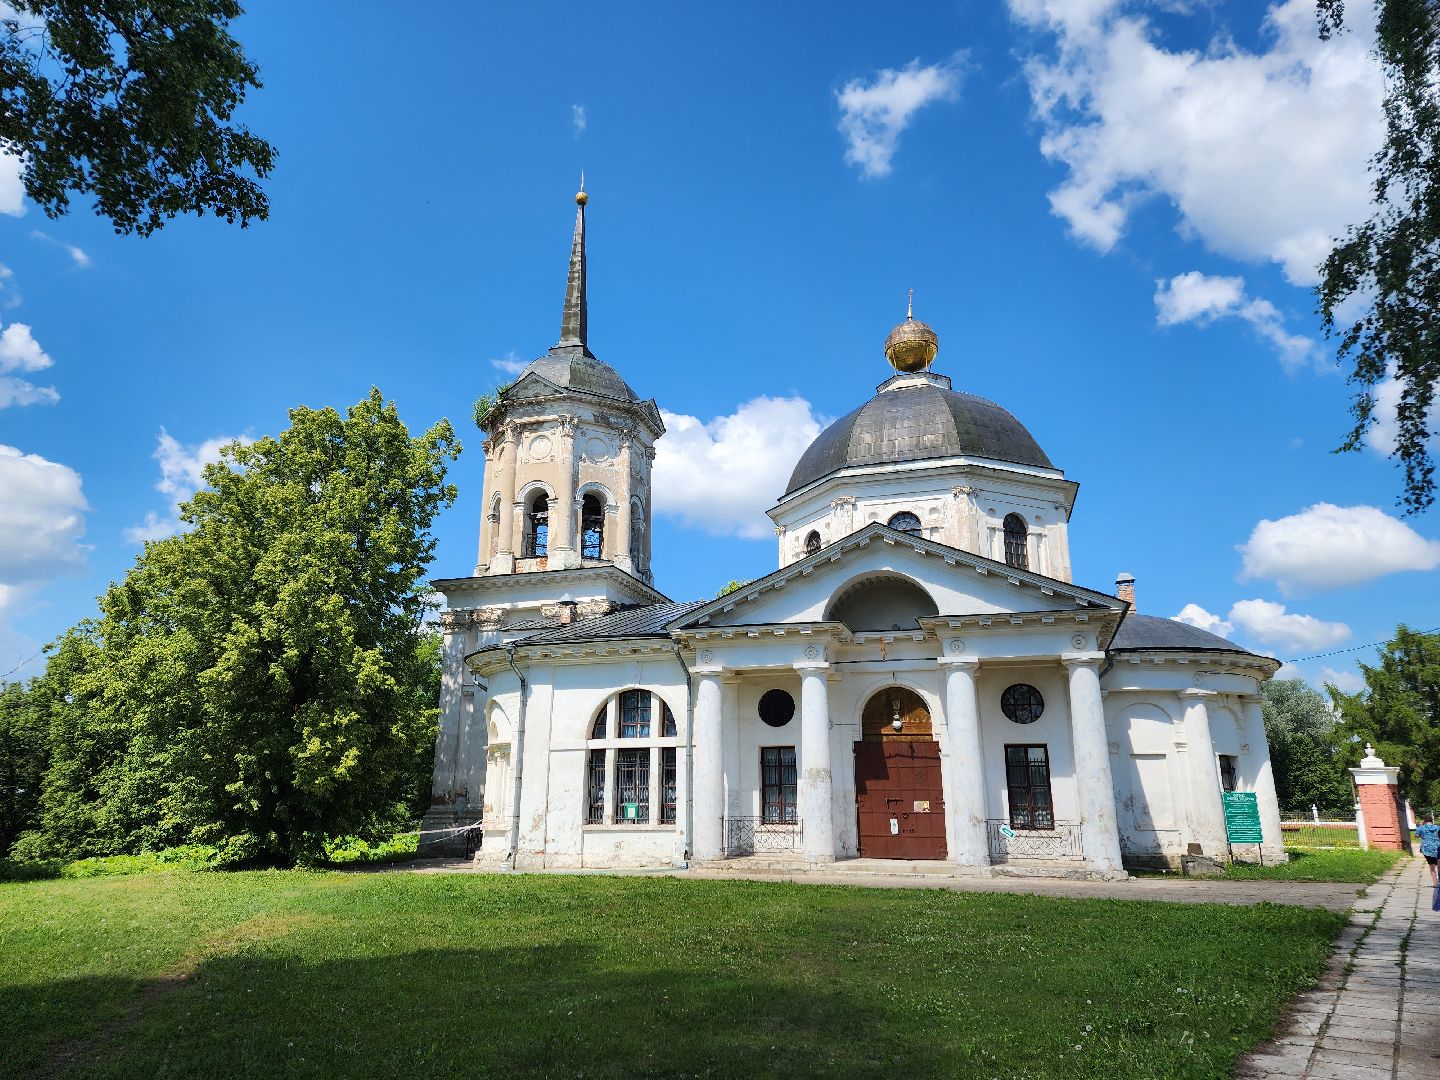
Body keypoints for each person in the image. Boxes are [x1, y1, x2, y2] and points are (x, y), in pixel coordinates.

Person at [1417, 812, 1440, 888]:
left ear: (1424, 821)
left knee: (1432, 867)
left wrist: (1421, 827)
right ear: (1431, 821)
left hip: (1426, 849)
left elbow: (1416, 835)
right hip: (1437, 847)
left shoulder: (1421, 828)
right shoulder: (1437, 827)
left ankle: (1436, 884)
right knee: (1438, 865)